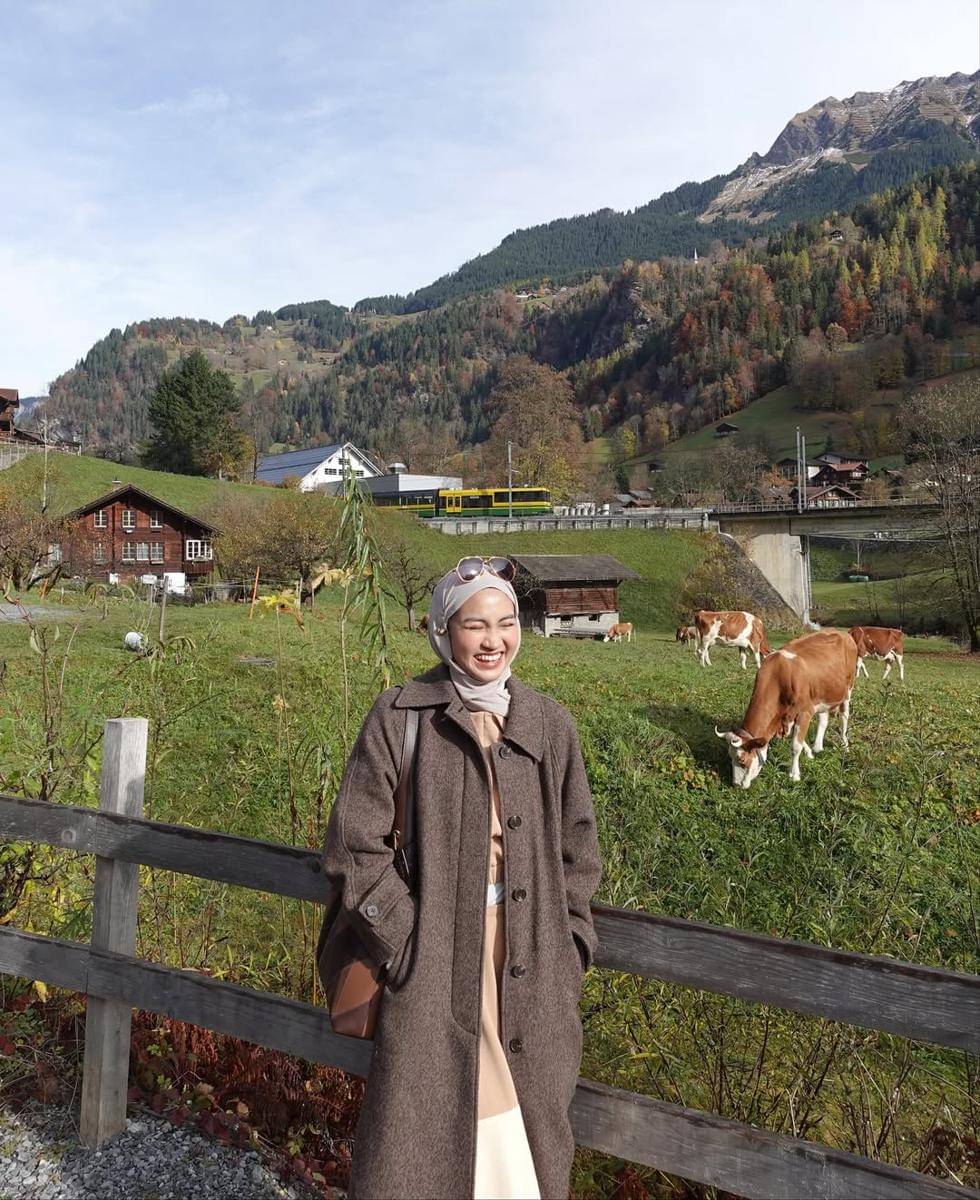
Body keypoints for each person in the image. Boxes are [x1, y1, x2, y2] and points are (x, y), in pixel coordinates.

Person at [320, 556, 602, 1200]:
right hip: (435, 957)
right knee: (433, 1139)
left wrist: (572, 947)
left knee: (528, 1137)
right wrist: (407, 942)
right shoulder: (401, 716)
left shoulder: (549, 724)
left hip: (533, 957)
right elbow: (353, 846)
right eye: (475, 625)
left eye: (505, 623)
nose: (493, 640)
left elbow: (579, 853)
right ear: (443, 631)